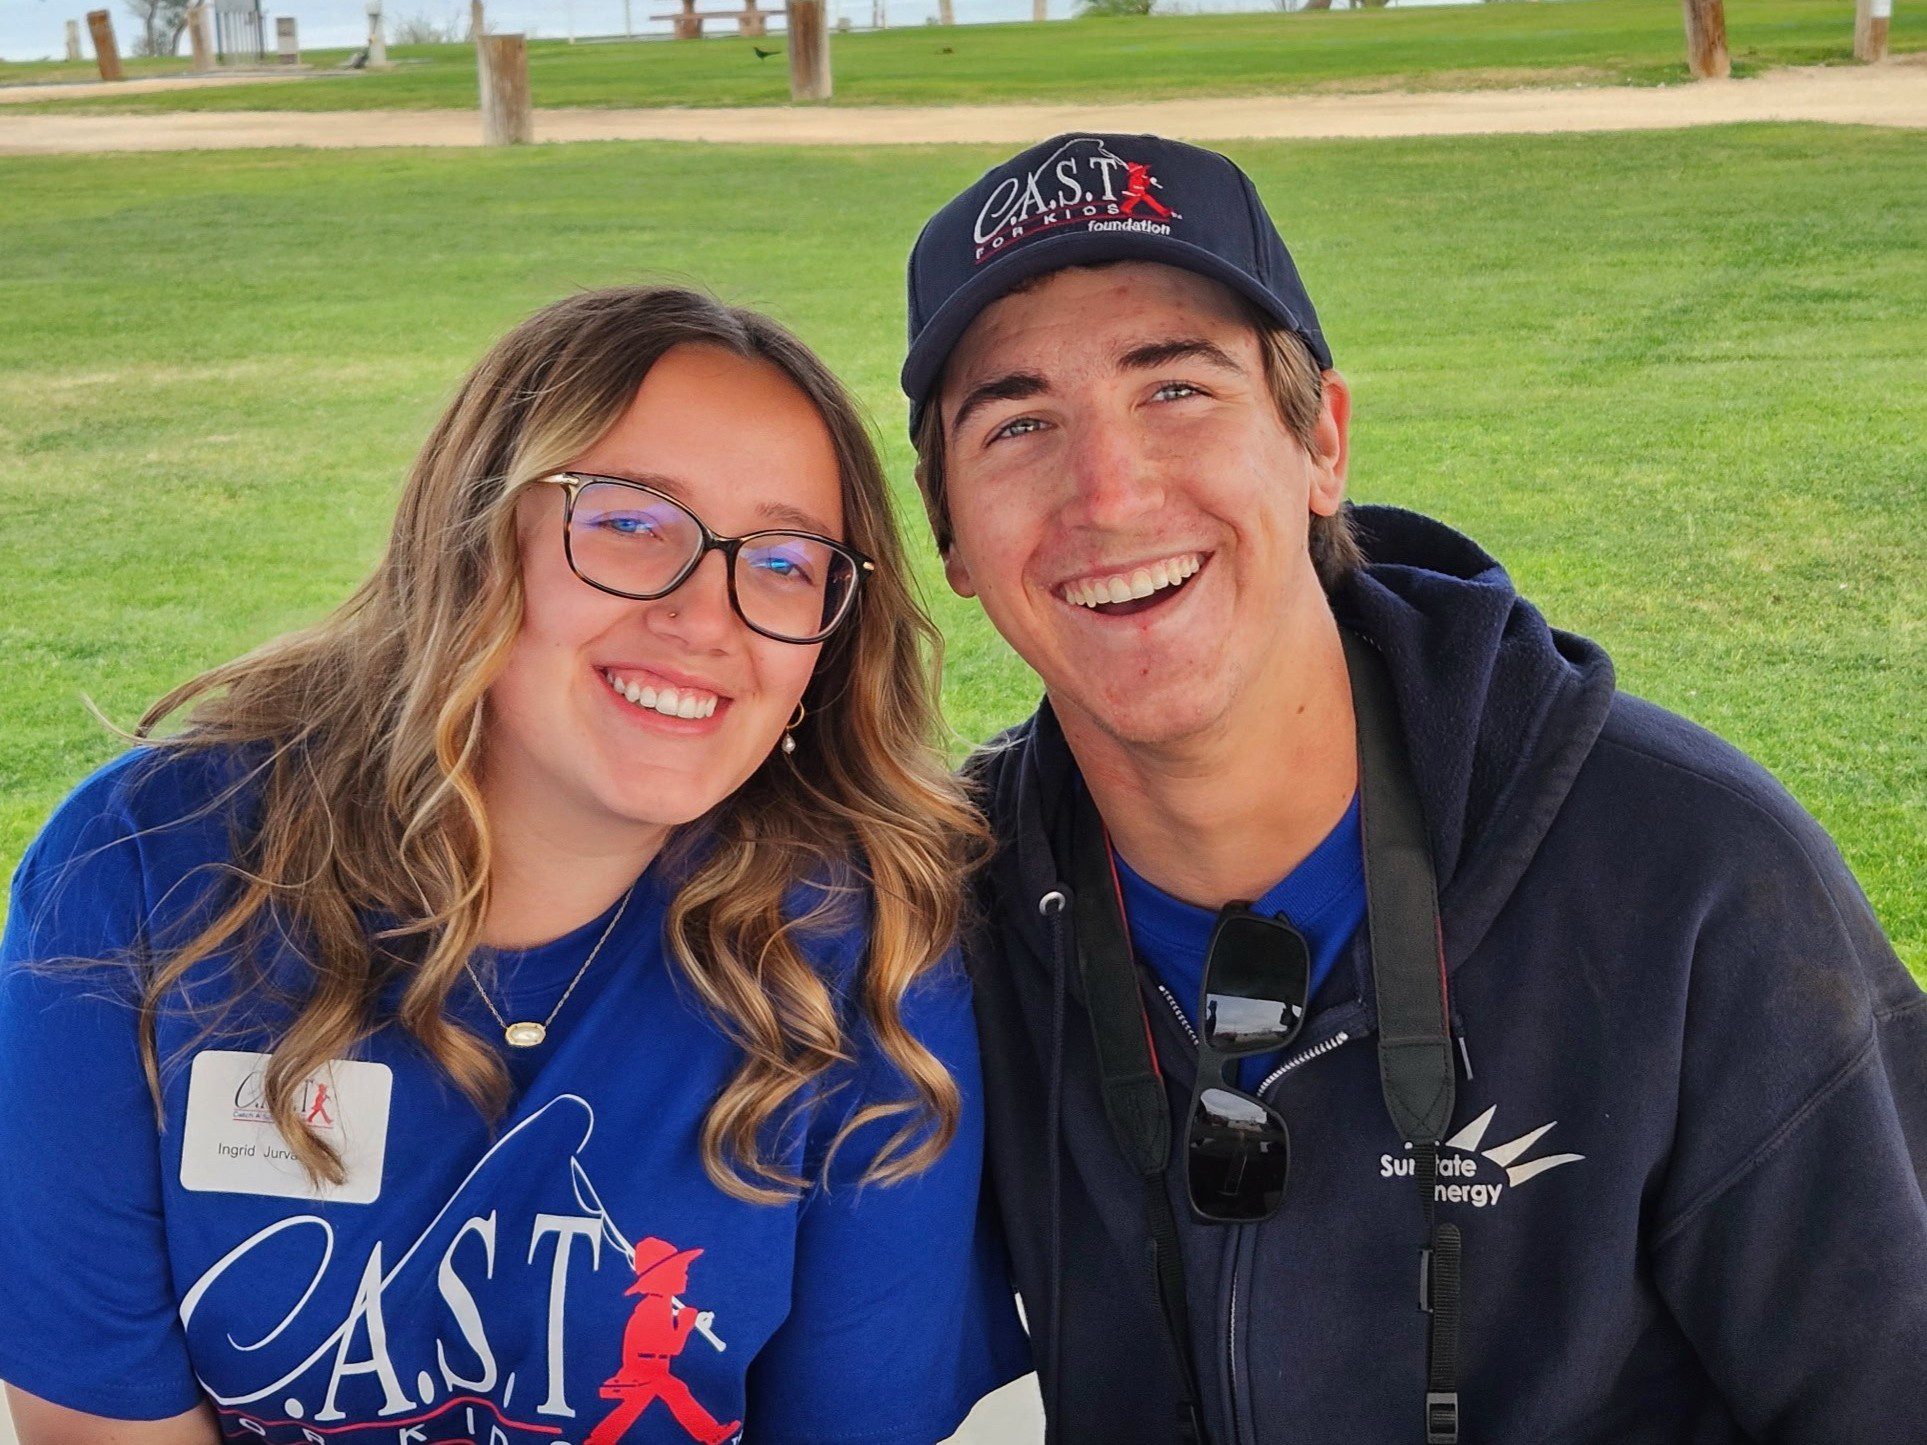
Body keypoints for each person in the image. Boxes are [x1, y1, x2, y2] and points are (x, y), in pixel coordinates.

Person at [898, 133, 1927, 1443]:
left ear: (1319, 442)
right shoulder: (943, 914)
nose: (1107, 492)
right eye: (1019, 424)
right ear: (948, 535)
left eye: (1176, 392)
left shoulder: (1691, 884)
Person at [0, 285, 1031, 1444]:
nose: (711, 618)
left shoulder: (865, 949)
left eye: (786, 560)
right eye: (633, 522)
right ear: (475, 536)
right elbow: (97, 1421)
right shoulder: (144, 873)